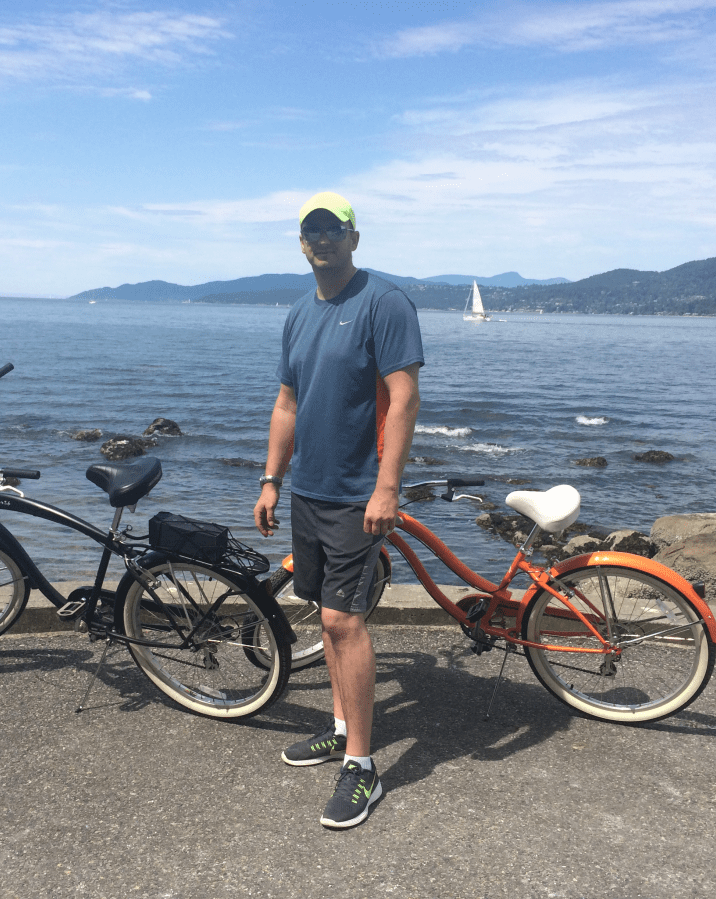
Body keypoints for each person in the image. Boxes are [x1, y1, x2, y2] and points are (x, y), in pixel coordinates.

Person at [254, 191, 423, 829]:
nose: (322, 239)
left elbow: (404, 398)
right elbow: (287, 404)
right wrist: (271, 480)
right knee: (324, 620)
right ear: (301, 243)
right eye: (312, 230)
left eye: (334, 229)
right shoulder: (300, 312)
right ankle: (341, 726)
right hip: (308, 491)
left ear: (354, 237)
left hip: (357, 493)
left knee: (342, 621)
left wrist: (387, 488)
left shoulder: (384, 302)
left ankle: (362, 767)